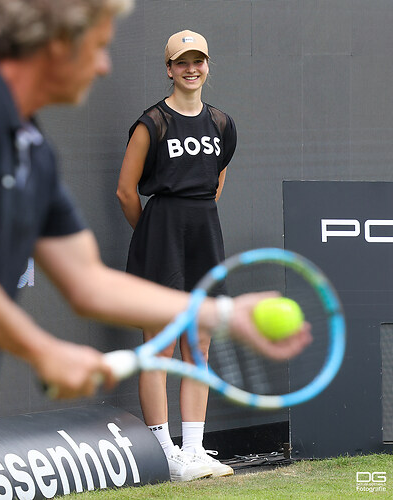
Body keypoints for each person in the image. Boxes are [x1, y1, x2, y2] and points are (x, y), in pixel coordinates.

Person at [0, 1, 311, 409]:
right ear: (57, 45)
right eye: (98, 46)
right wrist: (40, 348)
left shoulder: (35, 152)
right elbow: (124, 198)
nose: (105, 65)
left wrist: (229, 316)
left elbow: (87, 282)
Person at [116, 29, 311, 482]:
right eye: (182, 61)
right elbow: (126, 191)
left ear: (207, 66)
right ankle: (163, 454)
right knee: (160, 347)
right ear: (168, 69)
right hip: (160, 233)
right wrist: (152, 235)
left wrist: (190, 226)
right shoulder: (152, 123)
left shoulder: (222, 123)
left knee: (199, 346)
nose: (191, 68)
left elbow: (214, 183)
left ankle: (195, 450)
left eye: (198, 61)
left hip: (204, 233)